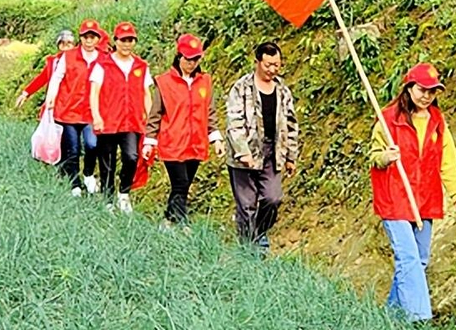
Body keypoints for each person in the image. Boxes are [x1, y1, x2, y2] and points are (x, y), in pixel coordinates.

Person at [369, 63, 456, 322]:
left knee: (419, 260)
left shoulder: (437, 122)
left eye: (432, 91)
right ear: (409, 88)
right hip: (394, 198)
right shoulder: (388, 119)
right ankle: (420, 318)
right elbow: (373, 156)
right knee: (409, 257)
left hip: (425, 199)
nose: (427, 96)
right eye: (422, 89)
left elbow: (448, 160)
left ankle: (388, 320)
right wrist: (386, 157)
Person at [225, 41, 299, 253]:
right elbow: (234, 122)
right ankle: (249, 248)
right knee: (246, 204)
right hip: (244, 154)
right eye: (268, 65)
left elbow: (291, 124)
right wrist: (243, 152)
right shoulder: (241, 88)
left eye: (276, 65)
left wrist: (291, 156)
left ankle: (260, 231)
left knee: (273, 198)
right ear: (257, 62)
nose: (272, 70)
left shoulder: (283, 90)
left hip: (272, 152)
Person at [144, 33, 224, 227]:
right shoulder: (164, 82)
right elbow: (155, 114)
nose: (191, 63)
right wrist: (149, 141)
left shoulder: (205, 81)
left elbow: (209, 112)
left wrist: (216, 139)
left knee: (183, 186)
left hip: (195, 143)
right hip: (172, 144)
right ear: (179, 56)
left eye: (196, 59)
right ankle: (183, 225)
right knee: (180, 184)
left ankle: (168, 221)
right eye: (188, 58)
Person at [16, 21, 102, 196]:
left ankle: (87, 174)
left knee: (92, 145)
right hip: (67, 111)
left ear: (97, 39)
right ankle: (74, 183)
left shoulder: (103, 59)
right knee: (73, 149)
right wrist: (45, 97)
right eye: (86, 36)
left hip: (89, 112)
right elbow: (50, 79)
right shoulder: (61, 59)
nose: (88, 40)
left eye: (92, 37)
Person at [90, 21, 153, 214]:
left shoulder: (141, 66)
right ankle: (108, 198)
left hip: (132, 121)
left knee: (131, 157)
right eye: (123, 40)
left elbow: (146, 93)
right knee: (107, 161)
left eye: (130, 40)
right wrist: (96, 116)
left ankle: (123, 192)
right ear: (115, 41)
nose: (127, 44)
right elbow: (94, 92)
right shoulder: (103, 64)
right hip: (108, 120)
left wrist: (150, 119)